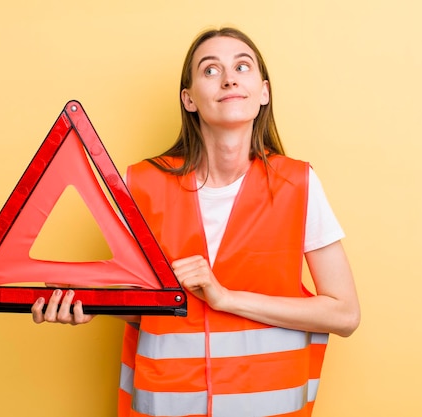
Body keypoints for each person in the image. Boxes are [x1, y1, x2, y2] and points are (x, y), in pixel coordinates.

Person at [32, 26, 360, 417]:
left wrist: (226, 298)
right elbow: (155, 308)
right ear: (189, 99)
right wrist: (92, 304)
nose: (229, 78)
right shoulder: (143, 184)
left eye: (242, 66)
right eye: (210, 70)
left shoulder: (298, 184)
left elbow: (344, 314)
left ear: (264, 92)